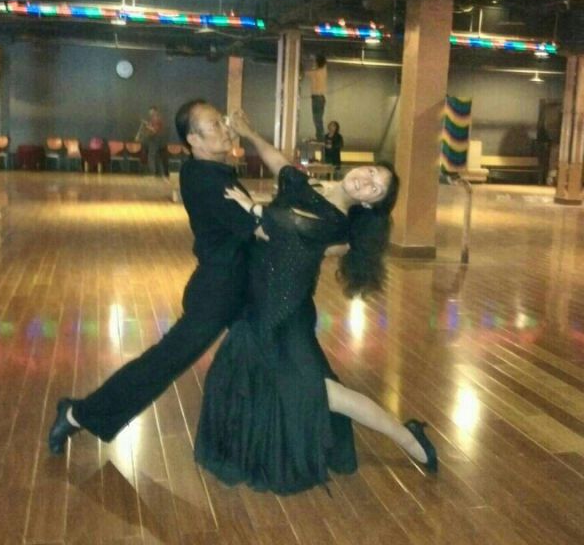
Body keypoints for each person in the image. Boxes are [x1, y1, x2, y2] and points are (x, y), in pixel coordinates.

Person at [194, 111, 437, 495]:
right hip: (261, 303)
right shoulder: (309, 188)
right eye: (371, 172)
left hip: (284, 314)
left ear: (369, 205)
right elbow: (280, 163)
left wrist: (253, 209)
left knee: (321, 393)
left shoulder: (336, 222)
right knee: (250, 377)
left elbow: (289, 231)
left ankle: (406, 437)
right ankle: (251, 447)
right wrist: (250, 133)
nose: (367, 181)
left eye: (375, 189)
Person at [48, 100, 270, 454]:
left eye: (223, 121)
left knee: (276, 354)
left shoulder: (209, 170)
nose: (226, 129)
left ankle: (272, 437)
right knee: (163, 364)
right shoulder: (206, 179)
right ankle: (77, 414)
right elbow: (262, 229)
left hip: (239, 286)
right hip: (218, 291)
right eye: (215, 124)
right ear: (193, 139)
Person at [306, 54, 328, 140]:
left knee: (317, 118)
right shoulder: (323, 71)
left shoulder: (316, 72)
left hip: (317, 98)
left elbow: (306, 72)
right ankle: (320, 136)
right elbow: (322, 62)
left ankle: (320, 137)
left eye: (315, 62)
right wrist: (315, 58)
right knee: (318, 118)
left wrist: (311, 59)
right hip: (321, 98)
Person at [143, 106, 168, 177]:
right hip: (155, 139)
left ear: (155, 111)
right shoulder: (153, 119)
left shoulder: (156, 119)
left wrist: (147, 126)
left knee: (151, 156)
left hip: (155, 139)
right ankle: (161, 173)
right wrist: (148, 125)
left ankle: (152, 173)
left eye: (151, 111)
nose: (149, 113)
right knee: (156, 157)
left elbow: (154, 130)